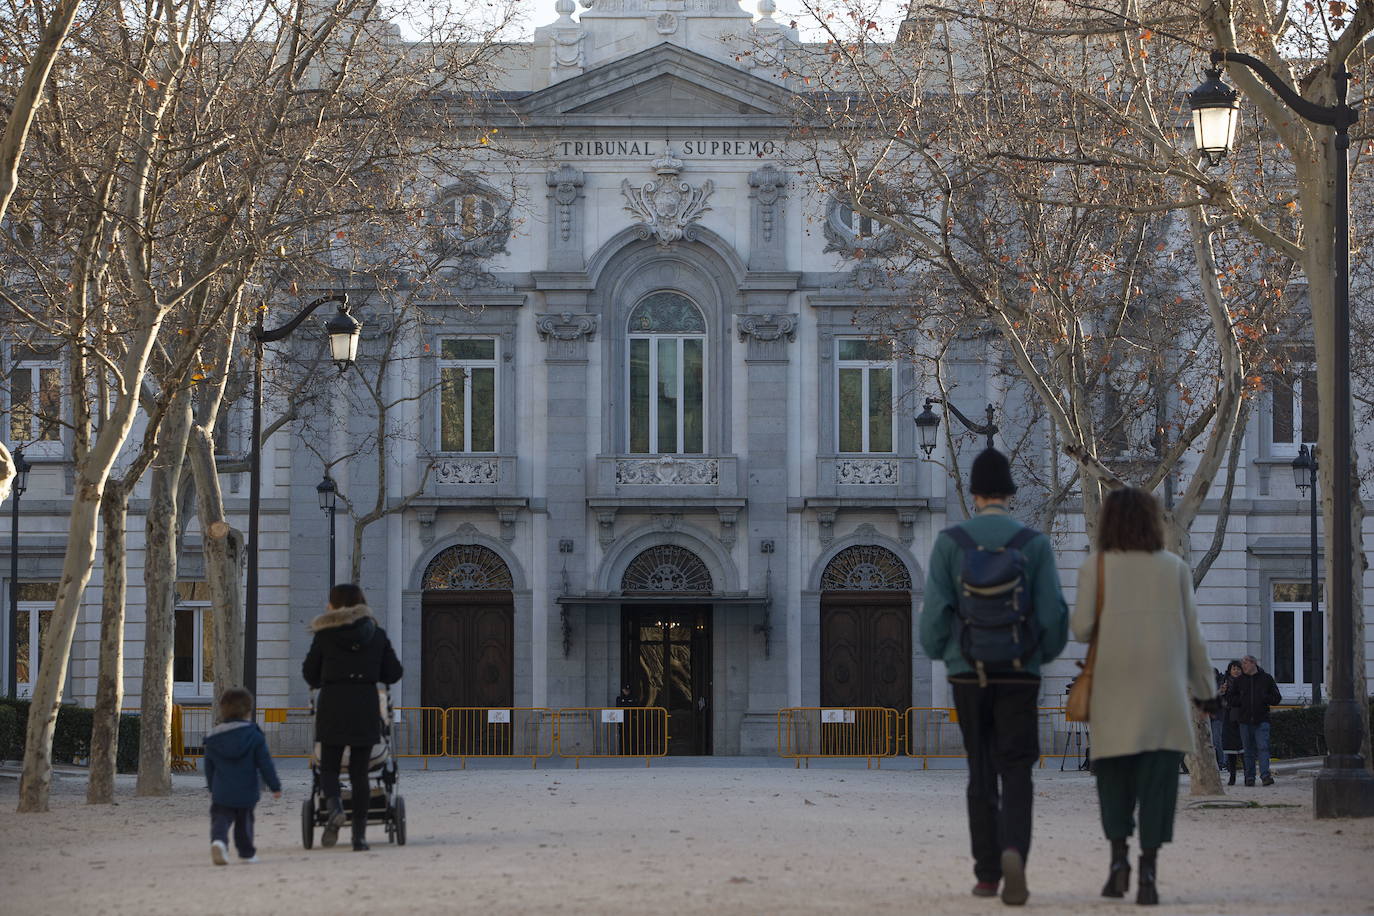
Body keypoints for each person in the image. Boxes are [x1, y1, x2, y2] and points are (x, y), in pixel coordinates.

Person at [919, 448, 1069, 906]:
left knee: (980, 769)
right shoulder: (1034, 544)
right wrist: (1035, 658)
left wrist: (948, 654)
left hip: (969, 673)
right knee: (1018, 769)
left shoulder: (951, 543)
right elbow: (1055, 617)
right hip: (1020, 674)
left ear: (976, 493)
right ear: (1008, 492)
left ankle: (986, 874)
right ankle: (1013, 853)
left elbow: (933, 622)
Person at [1071, 487, 1216, 906]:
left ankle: (1118, 864)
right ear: (1153, 523)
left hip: (1112, 695)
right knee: (1159, 787)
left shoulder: (1094, 568)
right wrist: (1207, 693)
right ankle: (1149, 871)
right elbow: (1195, 639)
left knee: (1113, 783)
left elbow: (1080, 629)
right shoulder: (1174, 569)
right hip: (1163, 699)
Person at [303, 583, 403, 851]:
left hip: (333, 703)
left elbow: (310, 673)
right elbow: (393, 672)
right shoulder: (376, 634)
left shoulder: (324, 636)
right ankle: (359, 837)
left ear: (334, 605)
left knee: (329, 768)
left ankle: (335, 807)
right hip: (364, 704)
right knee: (360, 773)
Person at [203, 686, 282, 865]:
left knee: (221, 819)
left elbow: (209, 766)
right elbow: (265, 764)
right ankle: (246, 853)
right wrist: (275, 786)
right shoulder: (254, 735)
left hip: (222, 790)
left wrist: (211, 787)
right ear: (248, 711)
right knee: (244, 822)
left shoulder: (213, 737)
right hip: (247, 789)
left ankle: (219, 841)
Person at [1230, 654, 1283, 786]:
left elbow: (1277, 698)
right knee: (1248, 750)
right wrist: (1241, 700)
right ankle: (1249, 777)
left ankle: (1265, 776)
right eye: (1243, 664)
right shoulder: (1239, 681)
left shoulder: (1266, 679)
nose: (1243, 666)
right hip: (1244, 720)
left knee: (1263, 748)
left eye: (1245, 663)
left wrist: (1265, 697)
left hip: (1262, 719)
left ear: (1253, 663)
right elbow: (1231, 699)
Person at [1219, 660, 1245, 786]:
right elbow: (1219, 701)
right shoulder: (1224, 683)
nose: (1236, 671)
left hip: (1243, 717)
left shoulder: (1246, 682)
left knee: (1245, 748)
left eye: (1238, 668)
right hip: (1229, 718)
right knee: (1230, 750)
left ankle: (1248, 775)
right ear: (1230, 670)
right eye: (1234, 668)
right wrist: (1222, 692)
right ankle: (1232, 776)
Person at [615, 684, 637, 755]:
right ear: (622, 690)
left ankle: (632, 752)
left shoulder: (633, 698)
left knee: (632, 736)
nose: (626, 691)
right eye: (625, 690)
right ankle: (622, 752)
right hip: (622, 720)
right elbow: (618, 707)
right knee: (622, 737)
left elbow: (635, 706)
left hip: (631, 720)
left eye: (628, 690)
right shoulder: (619, 698)